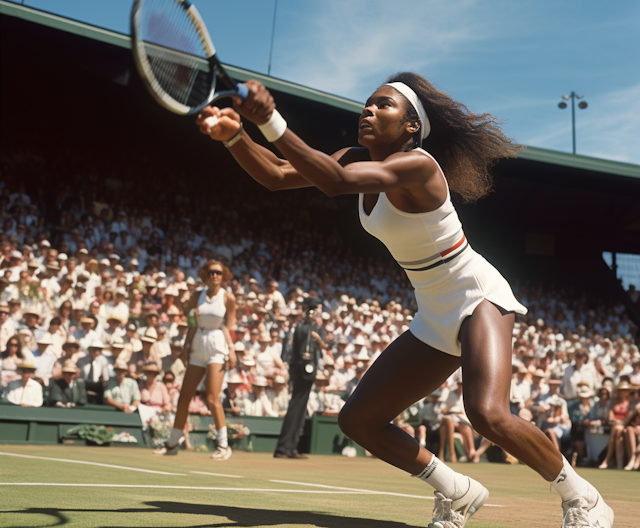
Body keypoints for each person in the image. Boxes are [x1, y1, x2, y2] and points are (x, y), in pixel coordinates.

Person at [196, 74, 614, 527]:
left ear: (411, 127)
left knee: (487, 412)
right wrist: (236, 136)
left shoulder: (419, 166)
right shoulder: (354, 158)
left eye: (384, 105)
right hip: (432, 306)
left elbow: (334, 182)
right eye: (367, 104)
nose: (369, 111)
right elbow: (277, 175)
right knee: (359, 421)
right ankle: (456, 490)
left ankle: (584, 498)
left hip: (476, 293)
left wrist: (271, 119)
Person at [153, 260, 237, 460]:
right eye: (211, 273)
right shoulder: (196, 296)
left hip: (217, 346)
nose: (214, 276)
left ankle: (223, 445)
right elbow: (192, 323)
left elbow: (228, 327)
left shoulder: (228, 298)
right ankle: (173, 443)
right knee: (184, 397)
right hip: (198, 345)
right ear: (205, 276)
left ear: (223, 275)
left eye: (218, 273)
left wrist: (232, 350)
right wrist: (185, 346)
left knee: (212, 398)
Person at [271, 297, 326, 459]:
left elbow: (322, 345)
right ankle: (283, 447)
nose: (316, 313)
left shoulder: (311, 329)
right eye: (314, 309)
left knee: (301, 410)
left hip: (307, 372)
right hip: (301, 371)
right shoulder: (303, 329)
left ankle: (291, 447)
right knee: (296, 408)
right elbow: (302, 349)